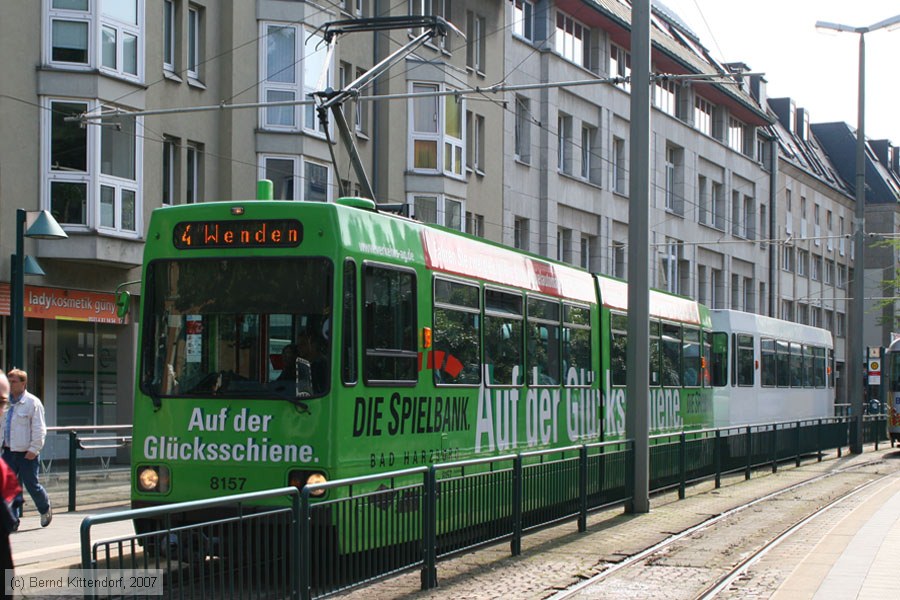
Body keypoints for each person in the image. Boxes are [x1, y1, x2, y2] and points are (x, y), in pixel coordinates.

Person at [1, 369, 51, 528]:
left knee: (32, 485)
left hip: (26, 453)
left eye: (13, 381)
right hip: (8, 451)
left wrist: (34, 449)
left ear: (23, 383)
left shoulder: (32, 403)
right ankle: (13, 521)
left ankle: (44, 508)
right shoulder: (5, 403)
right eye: (8, 381)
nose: (10, 384)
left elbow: (39, 428)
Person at [297, 328, 329, 394]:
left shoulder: (322, 365)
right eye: (298, 344)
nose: (299, 347)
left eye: (303, 344)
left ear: (314, 345)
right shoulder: (302, 364)